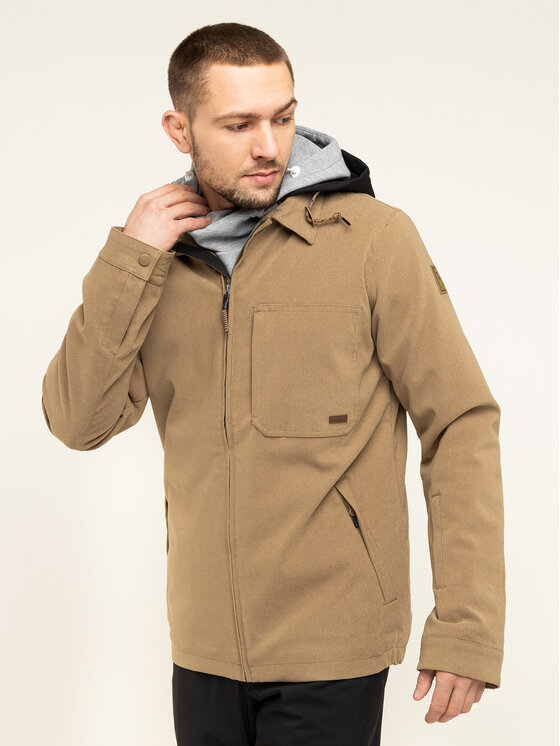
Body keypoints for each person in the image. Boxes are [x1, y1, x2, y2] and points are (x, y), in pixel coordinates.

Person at [40, 21, 506, 745]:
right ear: (179, 129)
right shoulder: (156, 261)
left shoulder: (373, 240)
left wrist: (467, 629)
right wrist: (131, 258)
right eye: (239, 125)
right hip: (202, 650)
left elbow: (460, 421)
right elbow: (78, 422)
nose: (269, 146)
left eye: (282, 118)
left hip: (334, 647)